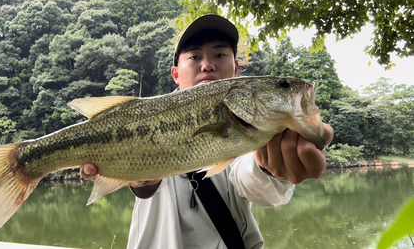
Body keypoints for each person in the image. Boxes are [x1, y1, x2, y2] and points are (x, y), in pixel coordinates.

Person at [80, 15, 334, 248]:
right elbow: (146, 189)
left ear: (236, 69)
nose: (207, 65)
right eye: (194, 56)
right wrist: (138, 179)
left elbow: (253, 180)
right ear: (176, 74)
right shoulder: (145, 118)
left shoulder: (255, 127)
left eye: (220, 55)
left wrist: (272, 169)